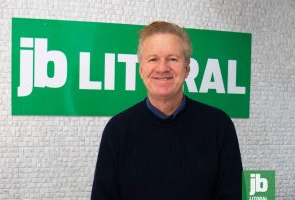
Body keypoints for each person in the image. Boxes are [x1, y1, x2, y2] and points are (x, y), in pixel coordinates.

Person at [91, 21, 243, 200]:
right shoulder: (117, 130)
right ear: (141, 70)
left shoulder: (219, 126)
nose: (162, 68)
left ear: (187, 68)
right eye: (153, 59)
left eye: (172, 59)